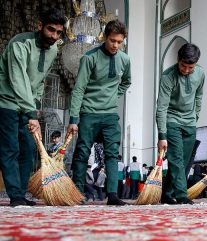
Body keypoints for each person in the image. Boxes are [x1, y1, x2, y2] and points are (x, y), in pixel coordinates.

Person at [0, 8, 66, 207]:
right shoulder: (19, 44)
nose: (54, 36)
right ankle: (14, 195)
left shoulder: (54, 49)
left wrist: (35, 107)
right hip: (7, 102)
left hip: (28, 106)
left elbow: (40, 82)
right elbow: (18, 80)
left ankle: (21, 193)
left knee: (28, 149)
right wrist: (31, 113)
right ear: (39, 26)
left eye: (58, 32)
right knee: (10, 148)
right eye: (50, 30)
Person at [67, 19, 131, 206]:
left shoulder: (125, 60)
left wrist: (113, 96)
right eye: (112, 41)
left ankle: (112, 194)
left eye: (120, 42)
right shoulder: (89, 57)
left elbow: (126, 82)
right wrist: (73, 118)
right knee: (82, 152)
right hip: (88, 112)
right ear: (104, 37)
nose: (116, 45)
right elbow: (79, 89)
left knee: (112, 153)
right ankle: (78, 193)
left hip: (110, 114)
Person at [156, 43, 205, 205]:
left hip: (190, 122)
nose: (186, 70)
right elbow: (161, 108)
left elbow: (199, 97)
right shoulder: (167, 77)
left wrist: (195, 116)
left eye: (190, 67)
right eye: (183, 65)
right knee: (176, 158)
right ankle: (182, 195)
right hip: (172, 120)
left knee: (182, 162)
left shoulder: (200, 74)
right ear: (178, 59)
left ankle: (166, 193)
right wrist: (162, 135)